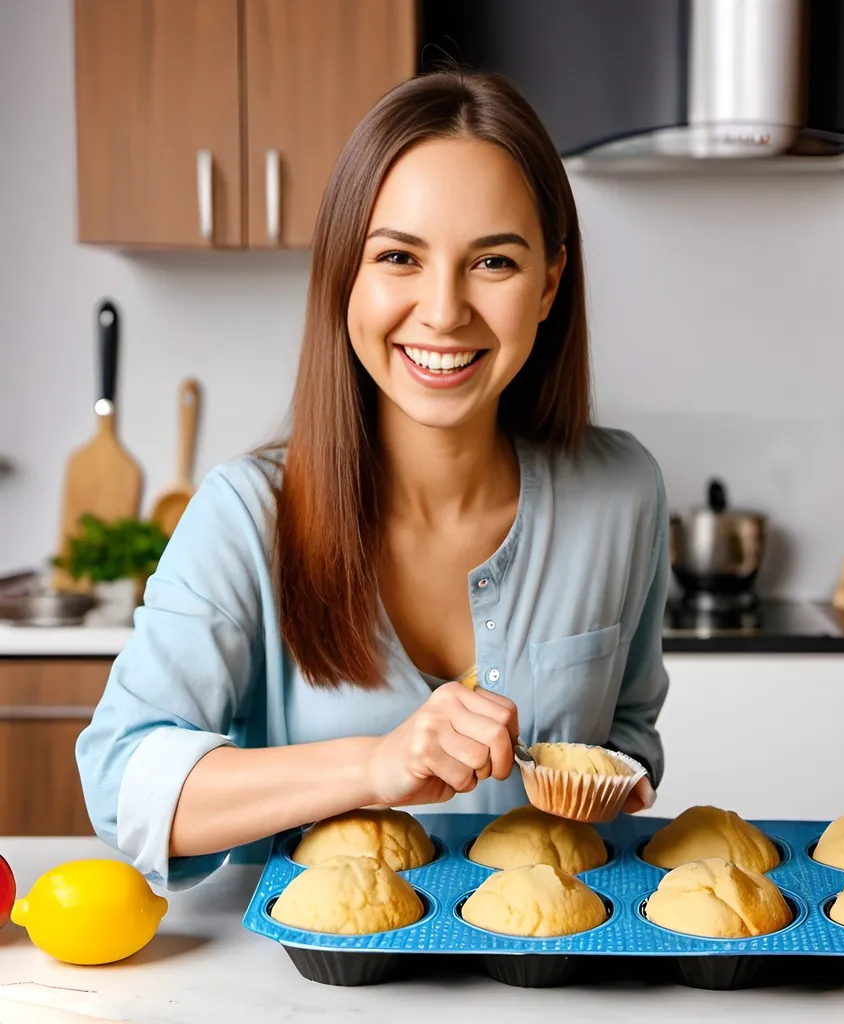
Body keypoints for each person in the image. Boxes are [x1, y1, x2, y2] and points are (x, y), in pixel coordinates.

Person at [76, 70, 670, 891]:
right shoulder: (247, 514)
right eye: (398, 256)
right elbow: (122, 783)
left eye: (492, 262)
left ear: (549, 284)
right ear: (343, 274)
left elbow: (630, 732)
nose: (442, 310)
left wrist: (619, 777)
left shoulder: (624, 494)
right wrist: (374, 765)